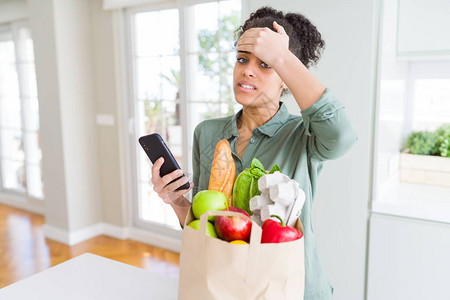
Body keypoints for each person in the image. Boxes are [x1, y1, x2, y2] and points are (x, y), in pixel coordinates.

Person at [151, 6, 357, 299]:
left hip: (293, 288)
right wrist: (175, 200)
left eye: (266, 64)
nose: (247, 69)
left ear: (286, 75)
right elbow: (205, 227)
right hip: (224, 287)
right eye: (242, 59)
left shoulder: (303, 136)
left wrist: (282, 57)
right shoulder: (207, 133)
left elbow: (342, 135)